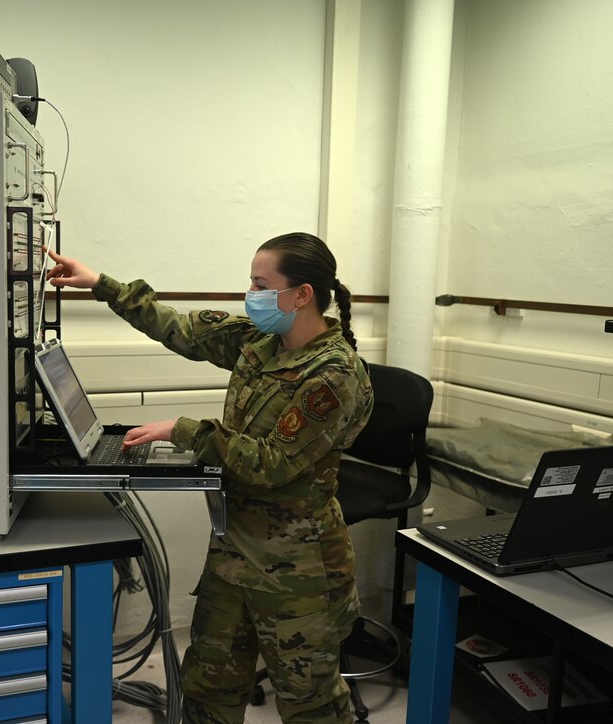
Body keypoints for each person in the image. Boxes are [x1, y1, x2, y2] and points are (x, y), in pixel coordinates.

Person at [46, 232, 374, 723]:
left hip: (296, 571)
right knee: (206, 694)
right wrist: (100, 284)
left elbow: (270, 463)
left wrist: (185, 431)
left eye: (261, 285)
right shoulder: (262, 342)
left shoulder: (333, 375)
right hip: (233, 554)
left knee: (313, 708)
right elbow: (179, 328)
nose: (251, 294)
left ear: (302, 294)